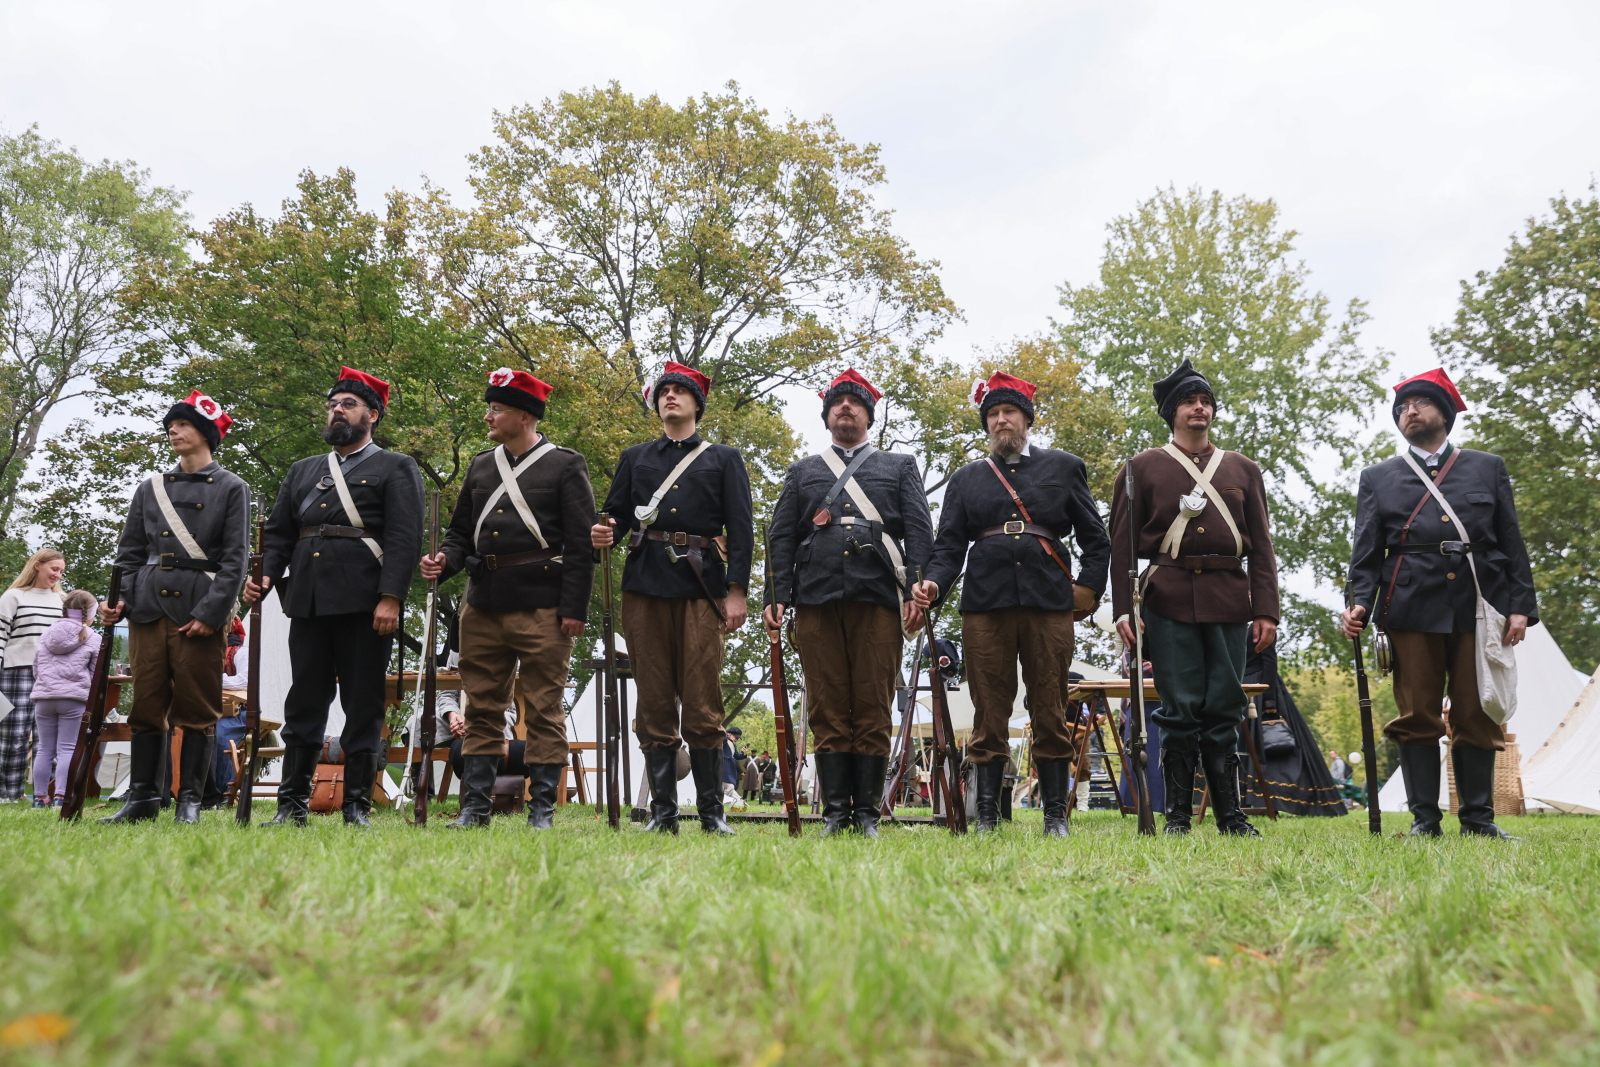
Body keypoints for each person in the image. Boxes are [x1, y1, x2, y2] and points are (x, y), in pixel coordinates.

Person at [1341, 368, 1535, 840]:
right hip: (1408, 604)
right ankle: (1424, 821)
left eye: (1420, 403)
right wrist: (1357, 603)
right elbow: (1366, 551)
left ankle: (1479, 821)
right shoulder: (1379, 477)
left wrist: (1520, 606)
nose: (1410, 411)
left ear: (1444, 414)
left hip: (1479, 602)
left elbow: (1510, 539)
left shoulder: (1486, 467)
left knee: (1476, 711)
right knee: (1417, 715)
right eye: (1402, 407)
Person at [912, 372, 1109, 835]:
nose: (1001, 420)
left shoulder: (1065, 466)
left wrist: (1087, 589)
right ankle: (987, 815)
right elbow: (949, 547)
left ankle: (1055, 815)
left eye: (1010, 413)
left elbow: (1096, 540)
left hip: (1048, 602)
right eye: (994, 414)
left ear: (1026, 419)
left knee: (1050, 705)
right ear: (987, 424)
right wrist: (935, 586)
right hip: (985, 603)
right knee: (989, 709)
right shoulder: (966, 479)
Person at [246, 367, 423, 827]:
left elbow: (404, 539)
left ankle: (356, 806)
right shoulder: (302, 470)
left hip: (365, 602)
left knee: (362, 705)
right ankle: (291, 806)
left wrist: (391, 597)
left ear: (373, 415)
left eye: (347, 404)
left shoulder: (396, 466)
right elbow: (281, 536)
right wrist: (263, 577)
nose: (337, 411)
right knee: (303, 703)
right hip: (307, 600)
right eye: (332, 405)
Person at [1110, 359, 1280, 837]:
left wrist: (1266, 609)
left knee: (1224, 705)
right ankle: (1178, 817)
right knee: (1179, 706)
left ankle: (1232, 816)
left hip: (1230, 597)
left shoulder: (1244, 469)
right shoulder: (1140, 468)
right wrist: (1124, 607)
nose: (1199, 408)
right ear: (1171, 412)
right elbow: (1121, 546)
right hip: (1167, 597)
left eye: (1205, 401)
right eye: (1188, 401)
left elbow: (1262, 545)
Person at [420, 368, 596, 829]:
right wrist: (445, 560)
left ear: (524, 415)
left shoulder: (565, 464)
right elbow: (461, 533)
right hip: (483, 603)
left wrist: (573, 609)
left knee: (543, 706)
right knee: (481, 706)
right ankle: (474, 808)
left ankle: (541, 810)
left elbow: (580, 546)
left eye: (496, 410)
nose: (487, 417)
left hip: (544, 604)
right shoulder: (481, 465)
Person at [769, 369, 934, 836]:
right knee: (826, 704)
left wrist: (915, 592)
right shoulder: (803, 471)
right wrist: (778, 595)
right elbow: (782, 535)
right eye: (838, 403)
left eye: (855, 403)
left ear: (869, 416)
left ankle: (866, 814)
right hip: (817, 599)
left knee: (873, 704)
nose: (846, 408)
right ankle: (835, 812)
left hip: (878, 598)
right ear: (826, 417)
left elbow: (920, 534)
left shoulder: (899, 466)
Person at [592, 361, 754, 835]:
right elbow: (618, 516)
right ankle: (663, 813)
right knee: (654, 700)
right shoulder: (635, 456)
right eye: (664, 391)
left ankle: (711, 814)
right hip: (644, 588)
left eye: (681, 391)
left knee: (703, 700)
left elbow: (740, 530)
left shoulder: (724, 458)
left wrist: (737, 592)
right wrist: (606, 532)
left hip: (701, 590)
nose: (670, 397)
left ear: (697, 404)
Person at [100, 391, 251, 824]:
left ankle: (189, 801)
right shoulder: (150, 488)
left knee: (198, 707)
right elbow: (128, 553)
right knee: (145, 704)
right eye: (172, 425)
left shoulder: (231, 487)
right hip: (148, 605)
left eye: (183, 424)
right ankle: (144, 798)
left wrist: (212, 612)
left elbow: (235, 560)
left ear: (204, 432)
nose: (174, 430)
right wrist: (120, 602)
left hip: (198, 608)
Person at [0, 549, 66, 802]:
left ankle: (45, 794)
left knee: (47, 737)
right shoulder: (13, 596)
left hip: (53, 675)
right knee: (13, 736)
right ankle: (8, 793)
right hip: (15, 673)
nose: (57, 575)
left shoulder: (63, 600)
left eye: (60, 571)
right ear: (37, 566)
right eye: (54, 569)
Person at [28, 590, 100, 806]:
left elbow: (36, 668)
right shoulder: (93, 638)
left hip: (44, 698)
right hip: (73, 699)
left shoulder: (46, 634)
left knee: (44, 748)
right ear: (90, 614)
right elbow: (96, 673)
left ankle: (39, 798)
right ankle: (61, 797)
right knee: (67, 748)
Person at [202, 618, 250, 810]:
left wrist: (213, 677)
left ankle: (222, 793)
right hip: (208, 708)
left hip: (238, 712)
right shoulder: (205, 651)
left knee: (219, 737)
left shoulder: (241, 652)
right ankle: (194, 791)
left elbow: (245, 681)